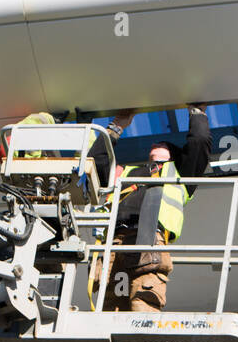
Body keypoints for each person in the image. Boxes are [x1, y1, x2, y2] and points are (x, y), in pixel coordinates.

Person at [88, 105, 211, 311]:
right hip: (113, 242)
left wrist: (196, 113)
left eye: (162, 144)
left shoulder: (180, 173)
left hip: (148, 239)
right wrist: (117, 126)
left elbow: (198, 141)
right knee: (111, 309)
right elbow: (96, 160)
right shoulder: (126, 173)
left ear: (173, 154)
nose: (155, 143)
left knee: (142, 303)